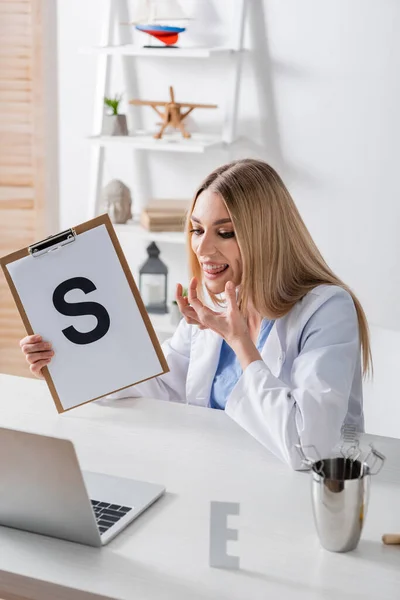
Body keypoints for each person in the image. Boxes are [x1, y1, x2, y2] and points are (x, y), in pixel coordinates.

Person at [20, 159, 371, 469]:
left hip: (301, 501)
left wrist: (240, 343)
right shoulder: (212, 305)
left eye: (225, 232)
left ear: (266, 236)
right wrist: (65, 362)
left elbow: (306, 446)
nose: (202, 248)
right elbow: (157, 384)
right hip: (214, 475)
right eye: (197, 229)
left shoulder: (327, 309)